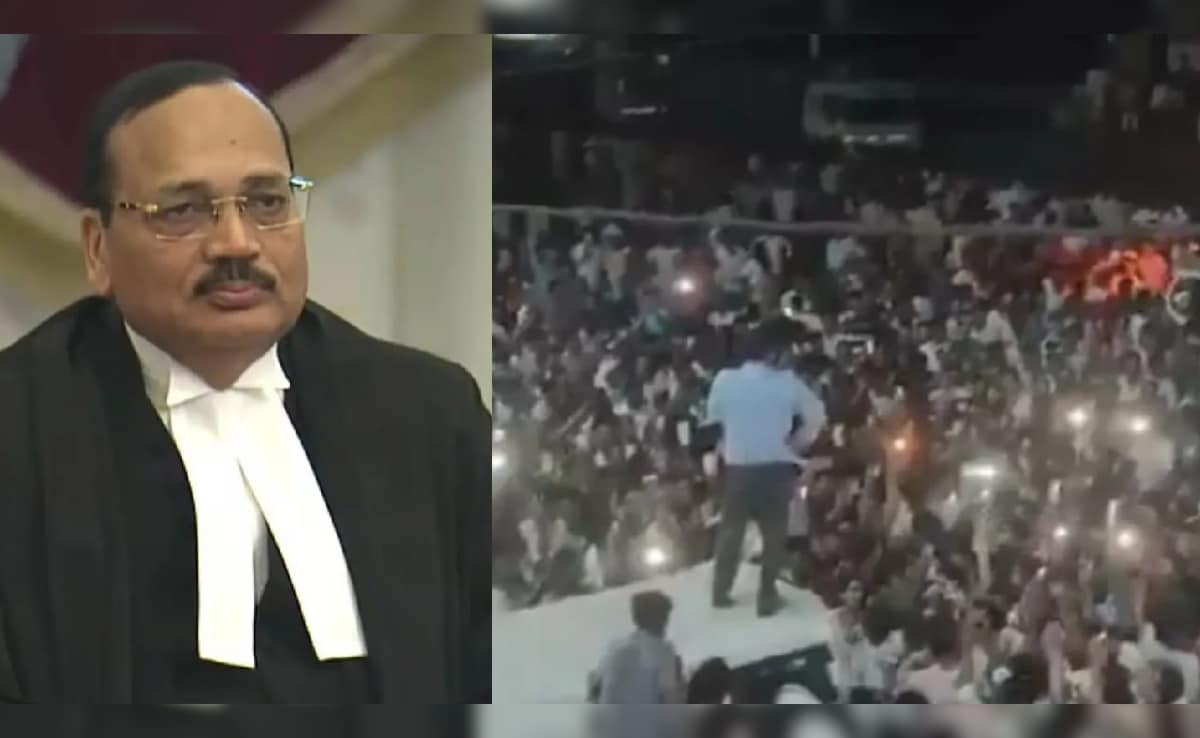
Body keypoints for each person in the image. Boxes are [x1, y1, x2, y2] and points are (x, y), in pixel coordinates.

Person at [0, 61, 488, 703]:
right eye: (183, 210)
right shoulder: (17, 430)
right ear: (98, 250)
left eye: (266, 203)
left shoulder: (431, 415)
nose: (236, 244)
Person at [705, 320, 827, 616]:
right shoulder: (788, 383)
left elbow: (714, 418)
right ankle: (766, 596)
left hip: (738, 465)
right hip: (775, 465)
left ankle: (720, 591)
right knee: (774, 533)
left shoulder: (725, 380)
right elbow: (817, 417)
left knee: (731, 531)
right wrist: (795, 444)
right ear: (773, 352)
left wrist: (733, 441)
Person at [590, 590, 684, 704]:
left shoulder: (615, 646)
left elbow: (594, 689)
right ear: (662, 619)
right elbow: (672, 701)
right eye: (666, 616)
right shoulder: (664, 651)